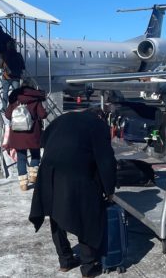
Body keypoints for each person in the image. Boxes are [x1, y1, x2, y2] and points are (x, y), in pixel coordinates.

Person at [29, 107, 117, 277]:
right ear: (101, 117)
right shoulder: (98, 125)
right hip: (75, 172)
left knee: (55, 212)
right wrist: (109, 189)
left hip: (49, 170)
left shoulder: (63, 118)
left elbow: (44, 140)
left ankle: (65, 260)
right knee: (86, 216)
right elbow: (106, 160)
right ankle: (89, 267)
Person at [5, 86, 47, 191]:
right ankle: (33, 175)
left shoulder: (14, 98)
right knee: (35, 154)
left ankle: (23, 184)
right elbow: (42, 115)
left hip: (17, 134)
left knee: (21, 158)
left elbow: (8, 115)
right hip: (33, 133)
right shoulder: (35, 99)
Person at [0, 40, 25, 110]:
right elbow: (23, 66)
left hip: (6, 76)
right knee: (16, 93)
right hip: (16, 77)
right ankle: (15, 107)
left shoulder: (4, 54)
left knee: (5, 92)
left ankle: (4, 108)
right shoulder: (18, 55)